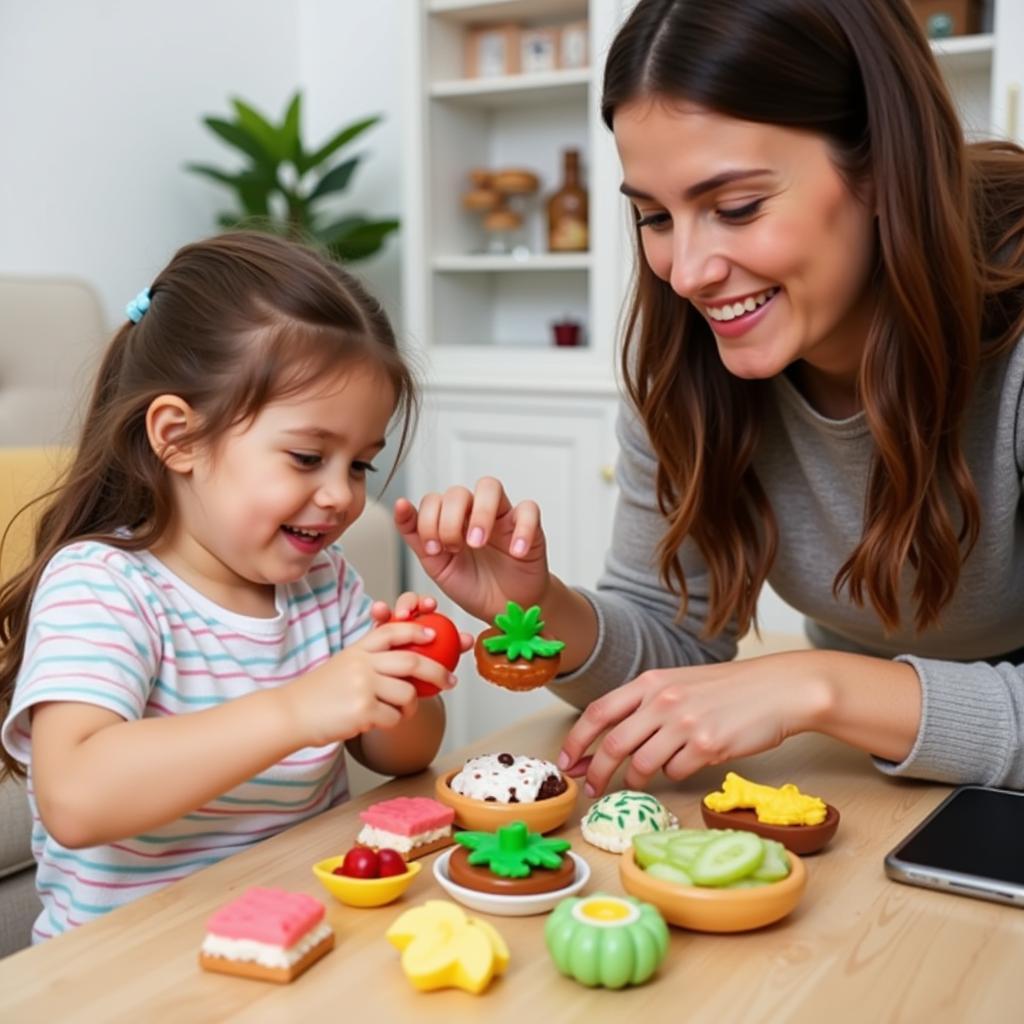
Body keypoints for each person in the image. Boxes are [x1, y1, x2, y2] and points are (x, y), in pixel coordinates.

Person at [396, 0, 1024, 798]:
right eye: (655, 216)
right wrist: (543, 608)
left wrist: (816, 686)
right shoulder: (688, 369)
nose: (687, 273)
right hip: (875, 766)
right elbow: (675, 640)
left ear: (882, 166)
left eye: (736, 208)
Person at [0, 232, 468, 942]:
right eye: (308, 456)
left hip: (303, 936)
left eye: (360, 465)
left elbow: (403, 757)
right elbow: (76, 796)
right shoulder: (104, 585)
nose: (340, 495)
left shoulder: (324, 582)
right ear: (179, 438)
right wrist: (298, 709)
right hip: (126, 971)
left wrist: (400, 679)